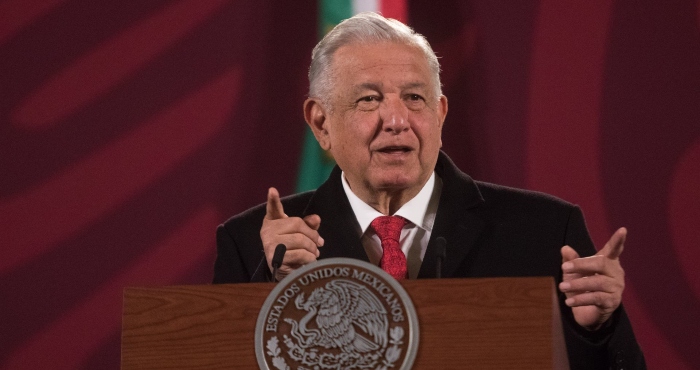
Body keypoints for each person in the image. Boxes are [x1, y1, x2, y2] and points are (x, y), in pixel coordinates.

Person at [213, 12, 645, 369]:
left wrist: (594, 330)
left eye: (415, 98)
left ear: (439, 114)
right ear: (321, 123)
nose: (397, 120)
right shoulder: (255, 246)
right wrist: (269, 288)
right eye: (369, 100)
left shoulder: (546, 231)